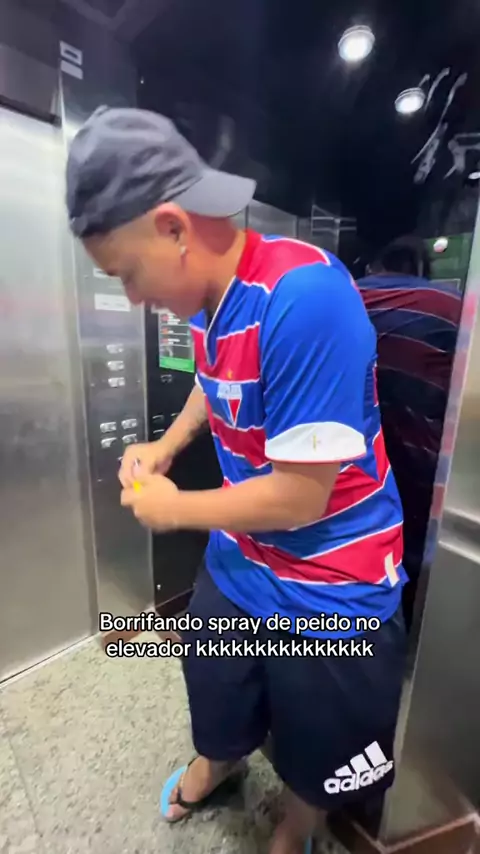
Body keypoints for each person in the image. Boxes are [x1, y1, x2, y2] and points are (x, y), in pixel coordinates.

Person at [66, 106, 408, 854]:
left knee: (319, 739)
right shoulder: (206, 300)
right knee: (214, 672)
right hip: (246, 550)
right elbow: (212, 379)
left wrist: (175, 508)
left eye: (126, 274)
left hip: (332, 575)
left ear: (172, 228)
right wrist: (168, 444)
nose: (132, 297)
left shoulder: (304, 299)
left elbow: (301, 496)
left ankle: (300, 819)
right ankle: (220, 762)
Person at [357, 237, 462, 629]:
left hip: (354, 457)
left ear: (375, 267)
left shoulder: (347, 294)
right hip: (420, 457)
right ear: (421, 269)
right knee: (414, 552)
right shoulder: (450, 305)